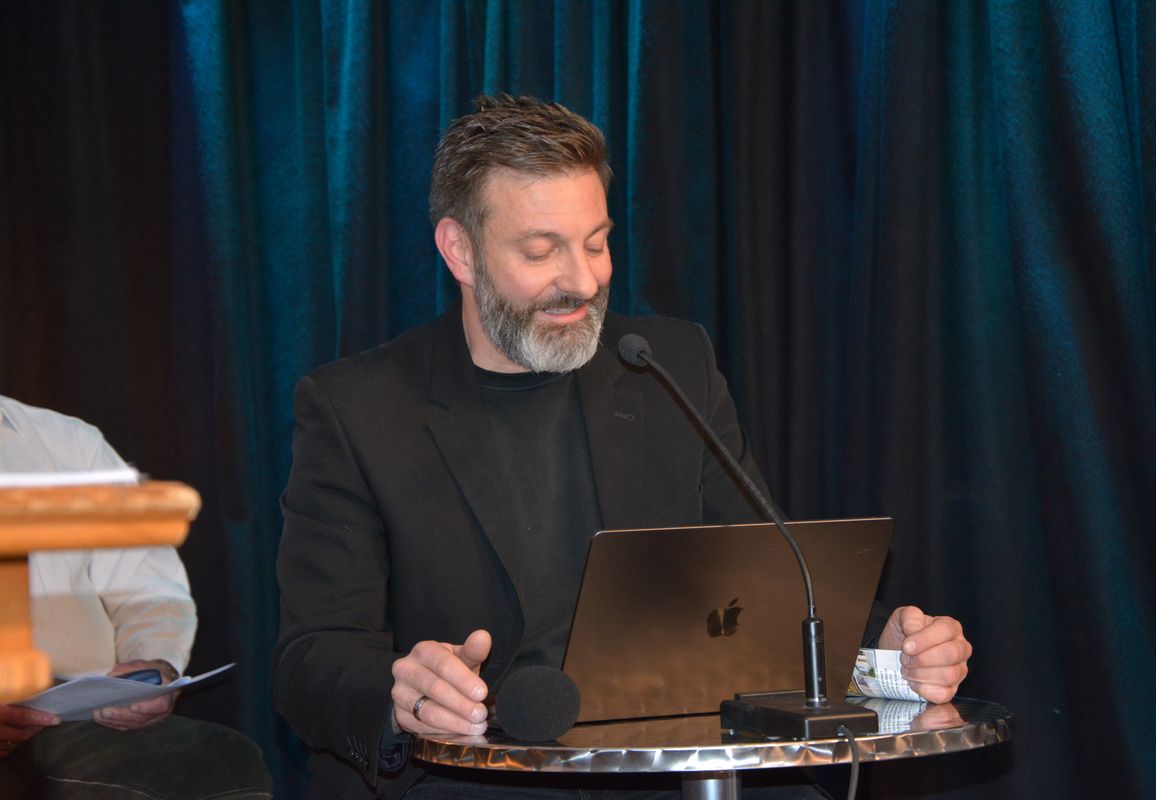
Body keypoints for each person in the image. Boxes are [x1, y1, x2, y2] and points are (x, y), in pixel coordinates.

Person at [273, 95, 972, 799]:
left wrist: (887, 650)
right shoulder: (358, 409)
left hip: (671, 764)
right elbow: (312, 657)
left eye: (596, 243)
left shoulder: (667, 365)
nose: (583, 281)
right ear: (460, 250)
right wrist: (403, 691)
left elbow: (766, 571)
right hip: (472, 779)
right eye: (540, 251)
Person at [0, 394, 273, 799]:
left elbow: (147, 587)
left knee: (222, 761)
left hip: (71, 716)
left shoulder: (67, 441)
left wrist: (150, 670)